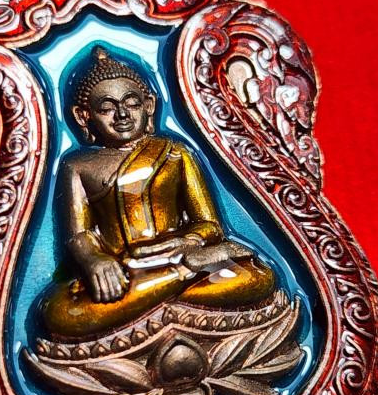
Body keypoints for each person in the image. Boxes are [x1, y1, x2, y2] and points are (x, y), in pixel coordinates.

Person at [39, 47, 275, 338]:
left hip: (177, 254)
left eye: (132, 103)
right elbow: (80, 234)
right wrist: (94, 260)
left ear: (149, 105)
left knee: (257, 276)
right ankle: (180, 281)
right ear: (83, 115)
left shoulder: (175, 153)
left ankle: (157, 298)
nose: (122, 115)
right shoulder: (78, 166)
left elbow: (209, 224)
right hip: (126, 272)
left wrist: (186, 242)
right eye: (107, 108)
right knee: (60, 312)